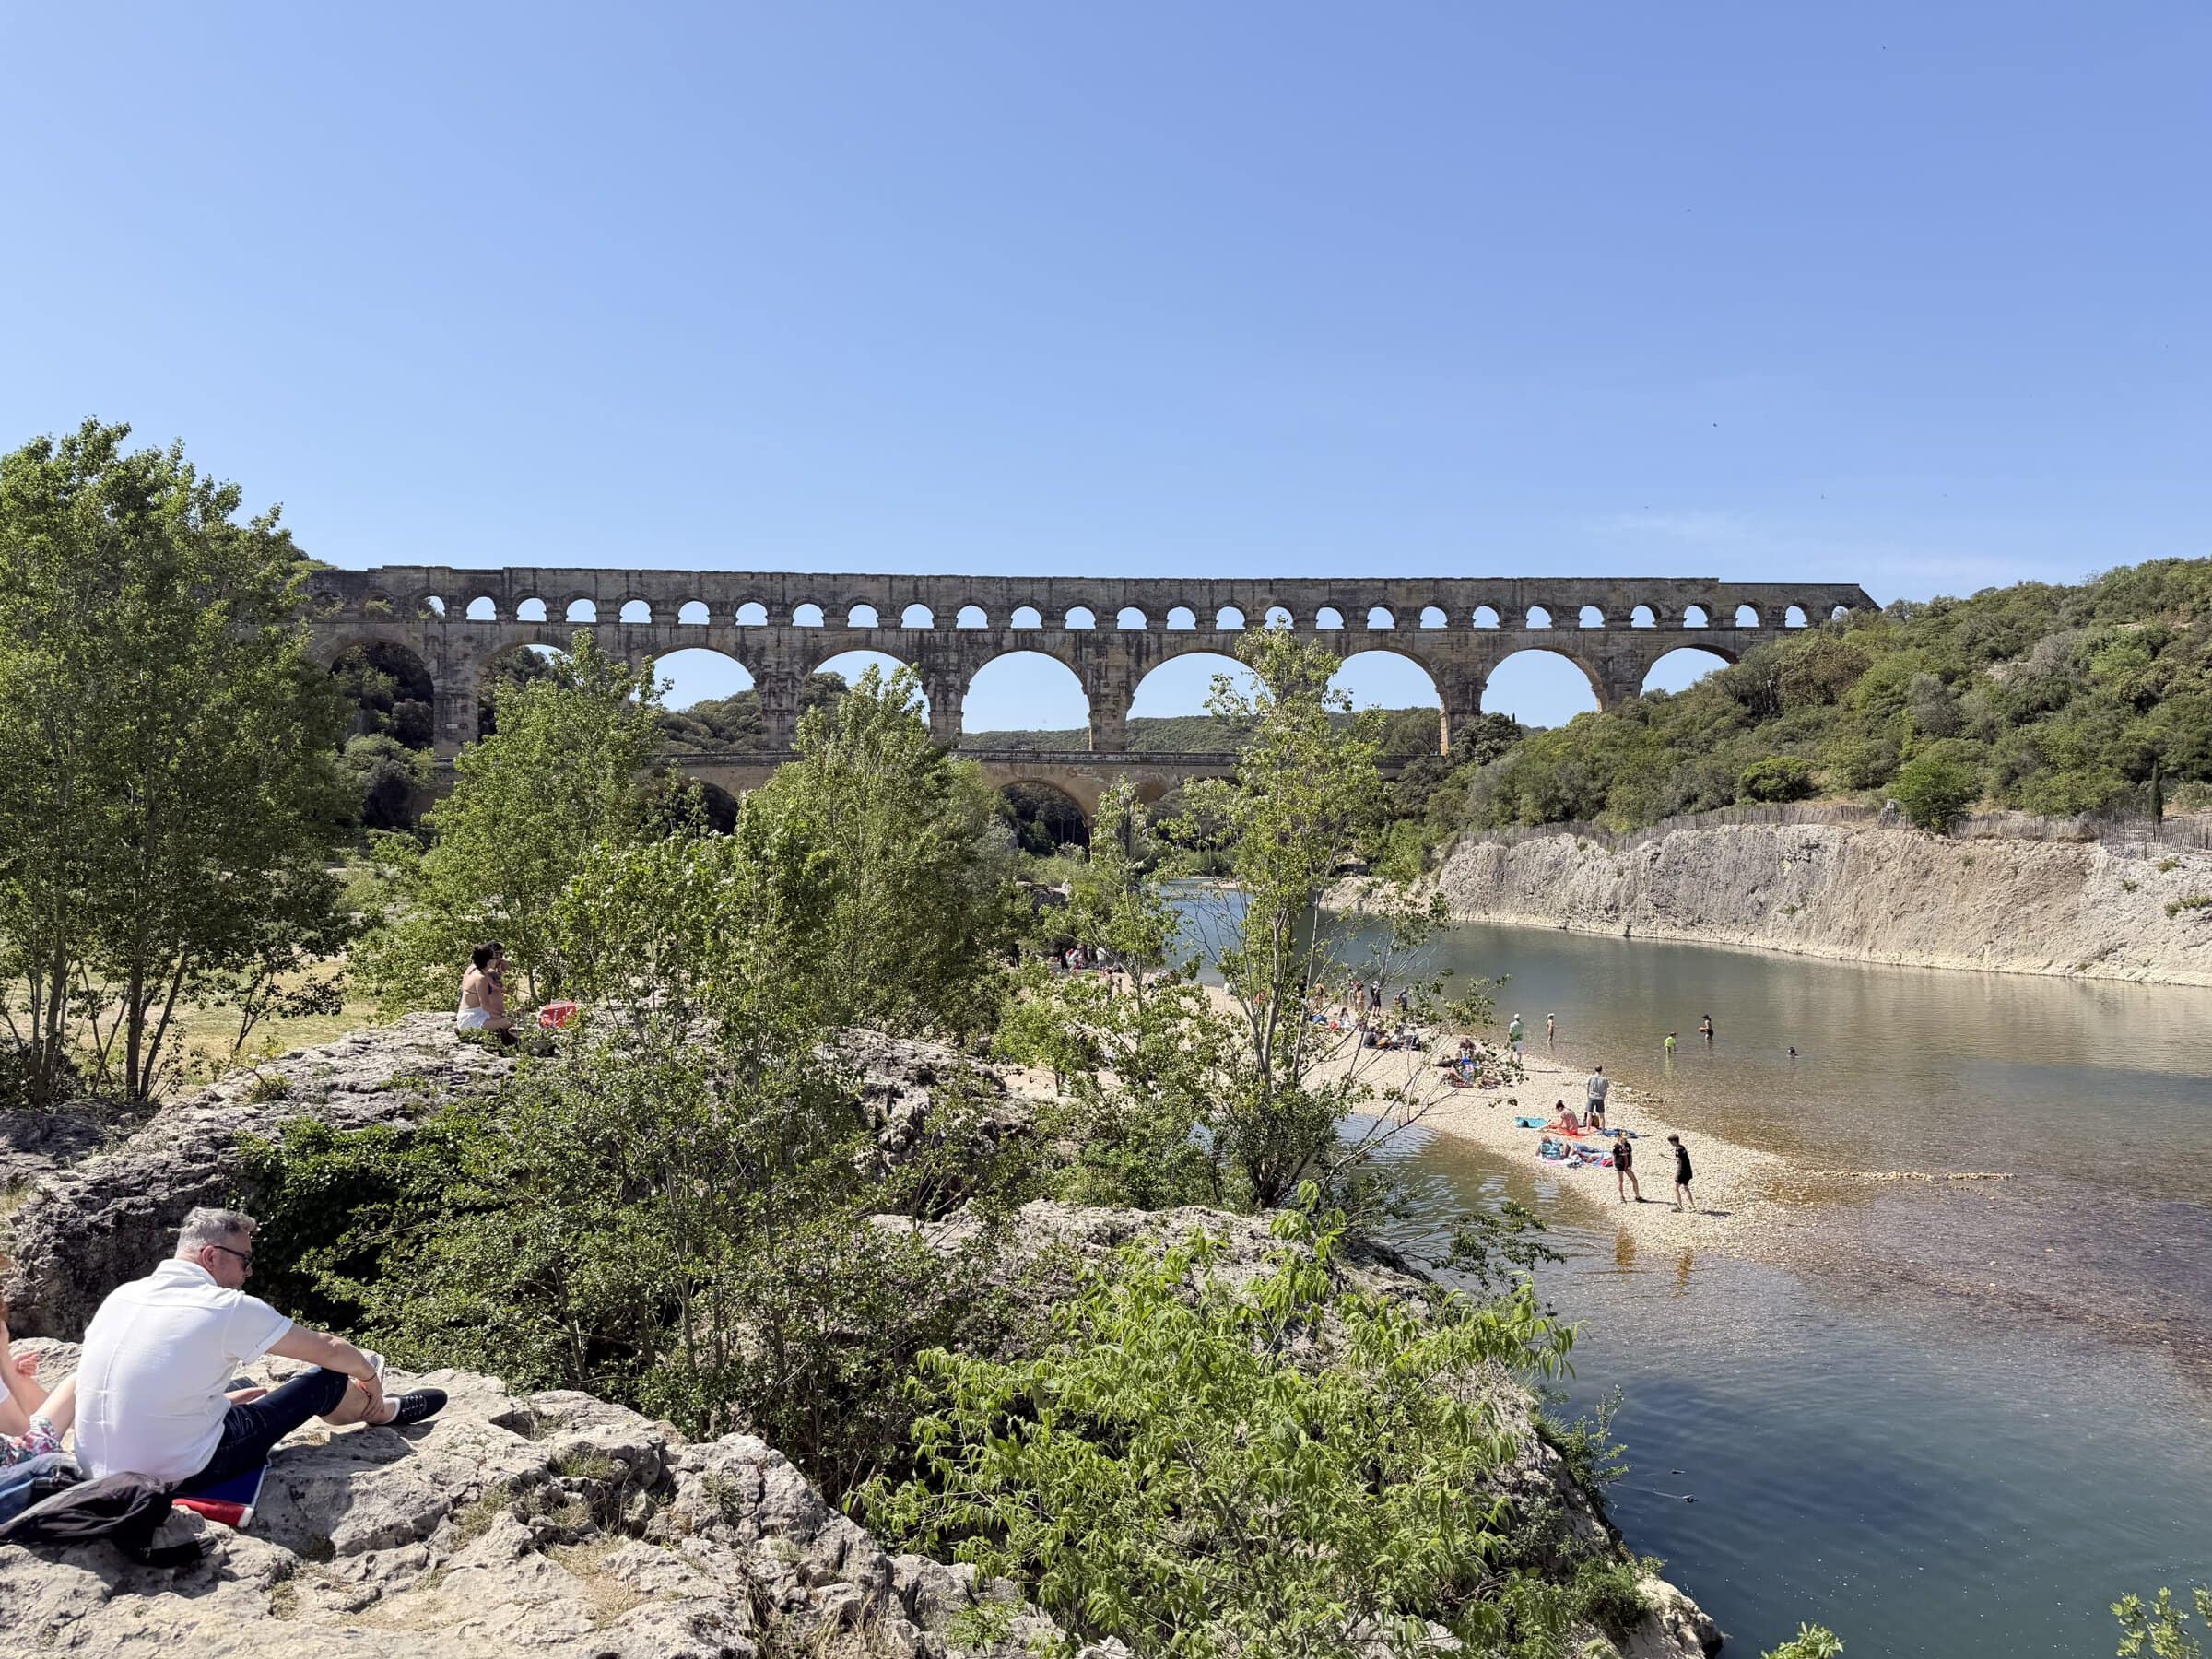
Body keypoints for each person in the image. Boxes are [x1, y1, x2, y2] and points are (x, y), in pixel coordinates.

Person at [75, 1208, 448, 1497]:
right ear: (210, 1256)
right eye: (245, 1261)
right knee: (326, 1381)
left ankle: (369, 1406)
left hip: (97, 1470)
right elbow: (330, 1350)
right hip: (180, 1472)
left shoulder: (122, 1295)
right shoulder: (224, 1306)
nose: (248, 1273)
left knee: (242, 1383)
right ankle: (381, 1412)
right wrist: (369, 1378)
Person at [1, 1281, 77, 1469]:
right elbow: (20, 1427)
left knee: (21, 1381)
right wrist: (4, 1362)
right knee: (75, 1383)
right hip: (11, 1470)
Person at [456, 942, 518, 1047]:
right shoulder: (480, 978)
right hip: (472, 1019)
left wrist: (501, 972)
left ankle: (501, 1034)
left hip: (477, 1015)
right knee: (513, 1020)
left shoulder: (481, 973)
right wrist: (504, 1013)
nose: (498, 959)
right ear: (490, 961)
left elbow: (503, 989)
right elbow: (485, 1005)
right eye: (496, 957)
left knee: (507, 1020)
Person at [1668, 1134, 1696, 1212]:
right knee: (1686, 1188)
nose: (1671, 1144)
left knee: (1675, 1188)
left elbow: (1678, 1161)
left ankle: (1680, 1207)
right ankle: (1692, 1205)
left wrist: (1665, 1157)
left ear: (1674, 1141)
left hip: (1682, 1171)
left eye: (1671, 1142)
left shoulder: (1678, 1150)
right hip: (1688, 1170)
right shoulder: (1682, 1147)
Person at [1613, 1131, 1641, 1204]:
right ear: (1619, 1137)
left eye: (1625, 1138)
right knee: (1621, 1181)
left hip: (1627, 1165)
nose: (1625, 1140)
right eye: (1623, 1138)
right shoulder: (1616, 1146)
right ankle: (1621, 1196)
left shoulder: (1628, 1145)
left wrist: (1631, 1165)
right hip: (1619, 1165)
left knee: (1634, 1180)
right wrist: (1614, 1165)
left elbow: (1630, 1156)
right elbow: (1614, 1156)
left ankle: (1637, 1196)